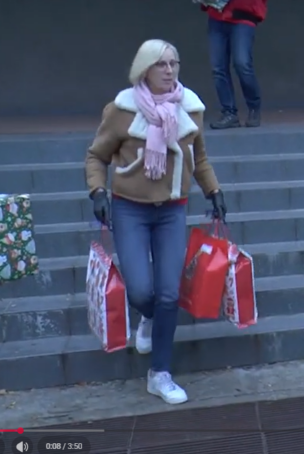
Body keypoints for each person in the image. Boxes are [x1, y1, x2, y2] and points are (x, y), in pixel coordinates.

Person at [84, 39, 228, 405]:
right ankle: (147, 318)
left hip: (172, 210)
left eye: (174, 63)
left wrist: (214, 191)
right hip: (130, 208)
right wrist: (98, 191)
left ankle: (160, 373)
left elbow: (200, 160)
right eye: (161, 64)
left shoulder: (190, 109)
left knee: (168, 293)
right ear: (144, 69)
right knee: (141, 292)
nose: (169, 70)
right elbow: (96, 156)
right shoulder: (121, 110)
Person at [203, 0, 267, 129]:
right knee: (218, 68)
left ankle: (254, 108)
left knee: (242, 64)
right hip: (217, 16)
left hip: (243, 16)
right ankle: (229, 112)